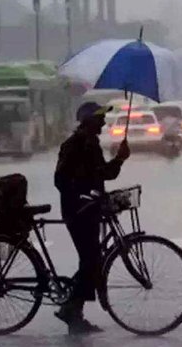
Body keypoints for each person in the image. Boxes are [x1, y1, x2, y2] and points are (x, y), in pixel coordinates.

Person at [53, 101, 130, 335]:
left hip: (87, 209)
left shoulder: (89, 143)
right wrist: (118, 159)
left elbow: (100, 175)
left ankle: (74, 311)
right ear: (88, 121)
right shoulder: (78, 144)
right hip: (79, 212)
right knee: (91, 260)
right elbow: (63, 180)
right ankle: (71, 309)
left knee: (91, 259)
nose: (103, 123)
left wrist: (117, 160)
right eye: (99, 119)